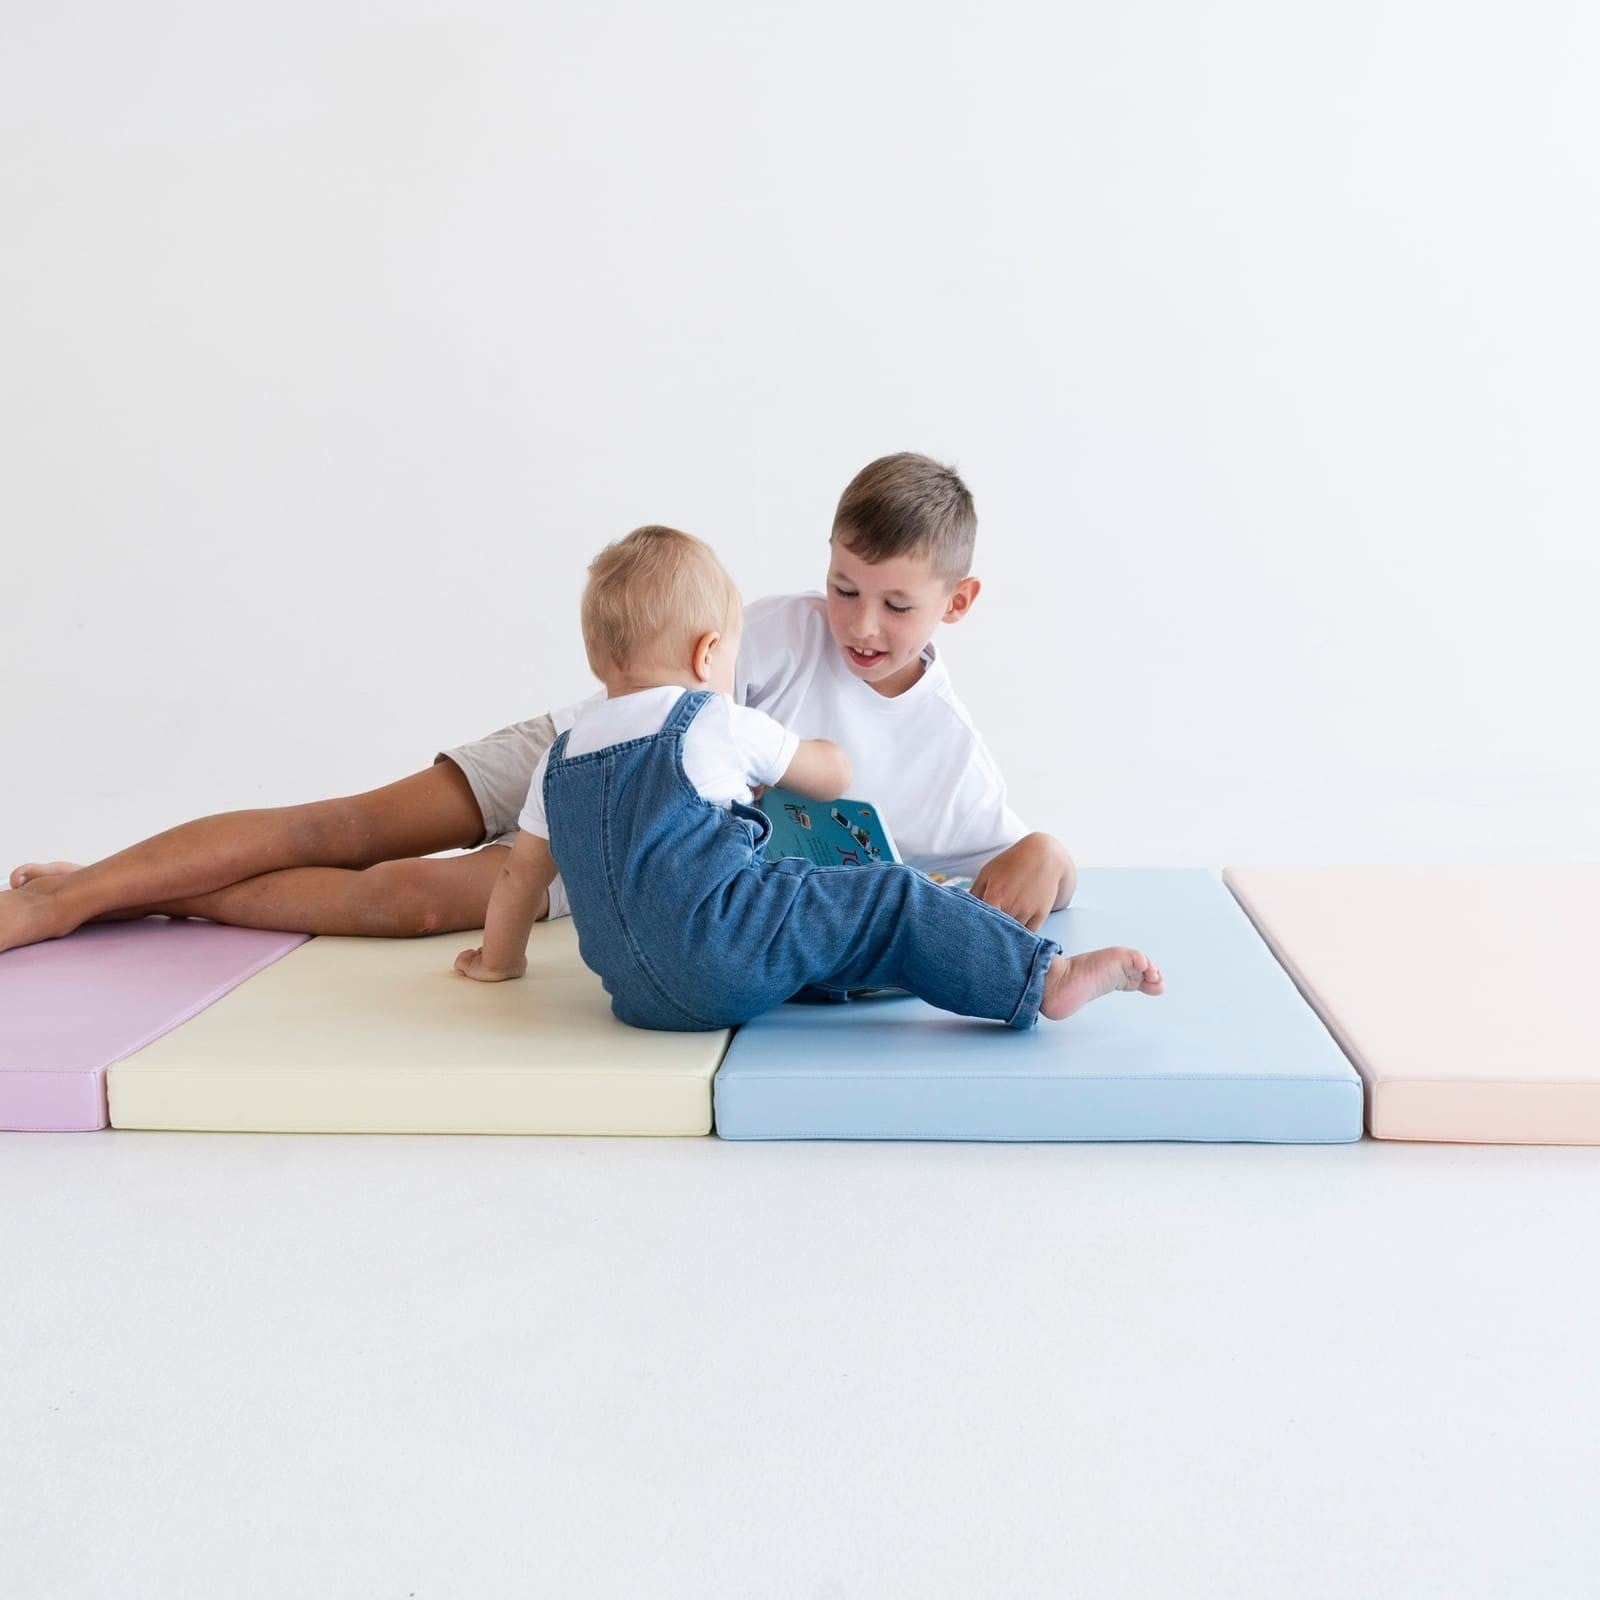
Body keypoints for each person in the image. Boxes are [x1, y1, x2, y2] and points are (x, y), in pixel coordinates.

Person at [1, 453, 1074, 954]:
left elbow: (1012, 856)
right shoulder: (776, 626)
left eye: (894, 603)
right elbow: (655, 692)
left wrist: (1045, 850)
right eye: (844, 584)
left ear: (958, 601)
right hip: (580, 751)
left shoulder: (945, 746)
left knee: (412, 901)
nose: (859, 620)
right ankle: (72, 896)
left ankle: (128, 897)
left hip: (637, 843)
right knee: (348, 827)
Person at [454, 526, 1162, 1029]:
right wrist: (810, 761)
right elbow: (829, 774)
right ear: (708, 654)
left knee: (814, 924)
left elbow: (519, 879)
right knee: (891, 895)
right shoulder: (714, 719)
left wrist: (498, 961)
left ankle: (869, 973)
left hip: (629, 994)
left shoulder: (562, 756)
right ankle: (1045, 980)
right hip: (719, 962)